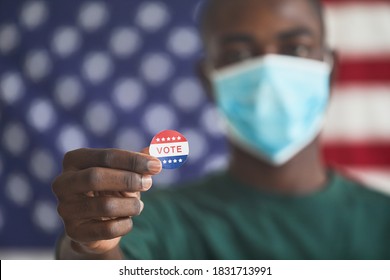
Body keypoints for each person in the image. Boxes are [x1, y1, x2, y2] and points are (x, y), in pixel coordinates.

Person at [52, 0, 390, 259]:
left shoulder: (381, 222)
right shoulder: (156, 219)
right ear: (208, 80)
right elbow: (104, 259)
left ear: (330, 70)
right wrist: (91, 242)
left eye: (295, 49)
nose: (268, 70)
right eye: (238, 54)